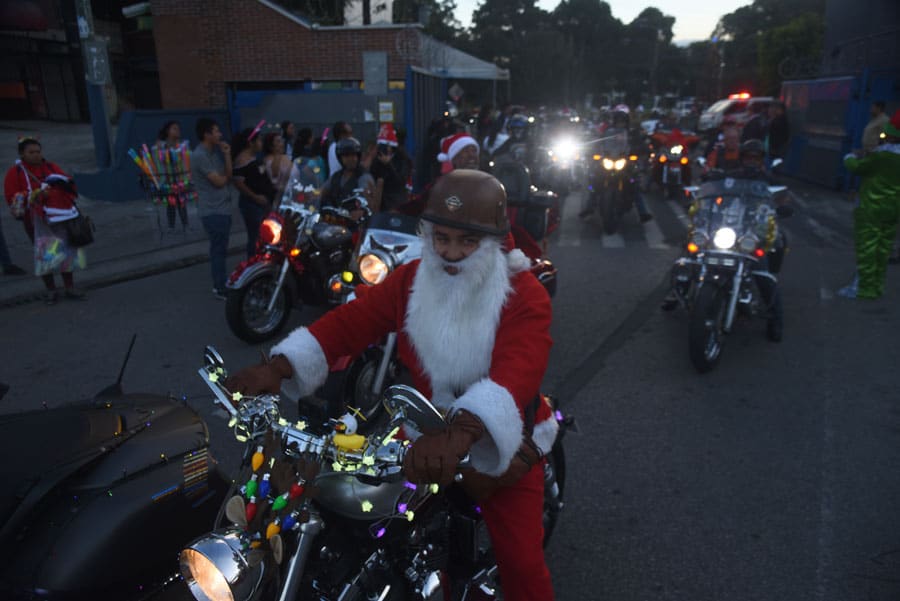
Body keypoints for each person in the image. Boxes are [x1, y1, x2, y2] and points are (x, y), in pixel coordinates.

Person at [226, 169, 557, 601]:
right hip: (422, 427)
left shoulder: (523, 294)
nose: (452, 253)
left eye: (467, 241)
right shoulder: (413, 279)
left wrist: (465, 430)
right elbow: (350, 323)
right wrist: (280, 365)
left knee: (522, 563)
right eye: (442, 238)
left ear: (494, 241)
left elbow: (517, 371)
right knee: (348, 504)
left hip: (502, 439)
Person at [4, 136, 86, 303]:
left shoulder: (51, 167)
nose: (35, 155)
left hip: (59, 217)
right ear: (22, 154)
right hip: (35, 220)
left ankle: (69, 287)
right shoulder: (16, 173)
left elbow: (68, 185)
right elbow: (12, 197)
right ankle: (51, 290)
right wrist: (33, 196)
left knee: (66, 252)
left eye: (38, 151)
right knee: (45, 254)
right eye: (31, 152)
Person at [838, 110, 900, 300]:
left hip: (871, 207)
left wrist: (849, 157)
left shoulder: (882, 156)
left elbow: (858, 167)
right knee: (883, 247)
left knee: (867, 246)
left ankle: (864, 288)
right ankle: (876, 286)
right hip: (894, 207)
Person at [191, 118, 234, 299]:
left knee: (221, 249)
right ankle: (219, 286)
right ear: (207, 134)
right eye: (216, 131)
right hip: (212, 210)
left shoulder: (214, 153)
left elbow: (228, 175)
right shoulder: (200, 155)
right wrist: (224, 179)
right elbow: (219, 181)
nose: (220, 134)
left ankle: (221, 282)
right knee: (218, 250)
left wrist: (226, 154)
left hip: (222, 208)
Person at [232, 128, 275, 259]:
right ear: (251, 143)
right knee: (256, 236)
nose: (261, 143)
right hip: (252, 205)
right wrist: (255, 197)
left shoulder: (254, 158)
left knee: (263, 235)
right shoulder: (242, 160)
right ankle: (253, 262)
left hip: (262, 203)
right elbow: (239, 183)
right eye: (259, 140)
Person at [153, 120, 192, 230]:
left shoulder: (182, 145)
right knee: (171, 204)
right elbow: (159, 162)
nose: (178, 130)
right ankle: (172, 226)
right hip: (167, 180)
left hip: (180, 179)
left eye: (178, 128)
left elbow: (186, 160)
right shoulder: (160, 146)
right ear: (168, 131)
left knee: (182, 203)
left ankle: (185, 224)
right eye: (174, 128)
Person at [320, 137, 375, 212]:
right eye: (346, 156)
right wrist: (310, 195)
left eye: (353, 155)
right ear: (340, 158)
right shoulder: (336, 176)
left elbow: (367, 203)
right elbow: (321, 191)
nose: (351, 159)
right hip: (335, 219)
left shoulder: (363, 177)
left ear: (358, 156)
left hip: (355, 221)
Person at [368, 123, 412, 212]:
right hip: (381, 203)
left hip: (396, 203)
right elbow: (372, 178)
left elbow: (400, 182)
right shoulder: (377, 160)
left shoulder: (402, 159)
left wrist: (389, 164)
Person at [262, 132, 293, 204]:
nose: (282, 144)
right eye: (278, 141)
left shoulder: (284, 156)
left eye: (282, 141)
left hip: (291, 193)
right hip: (281, 196)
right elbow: (274, 177)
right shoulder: (269, 159)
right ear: (270, 146)